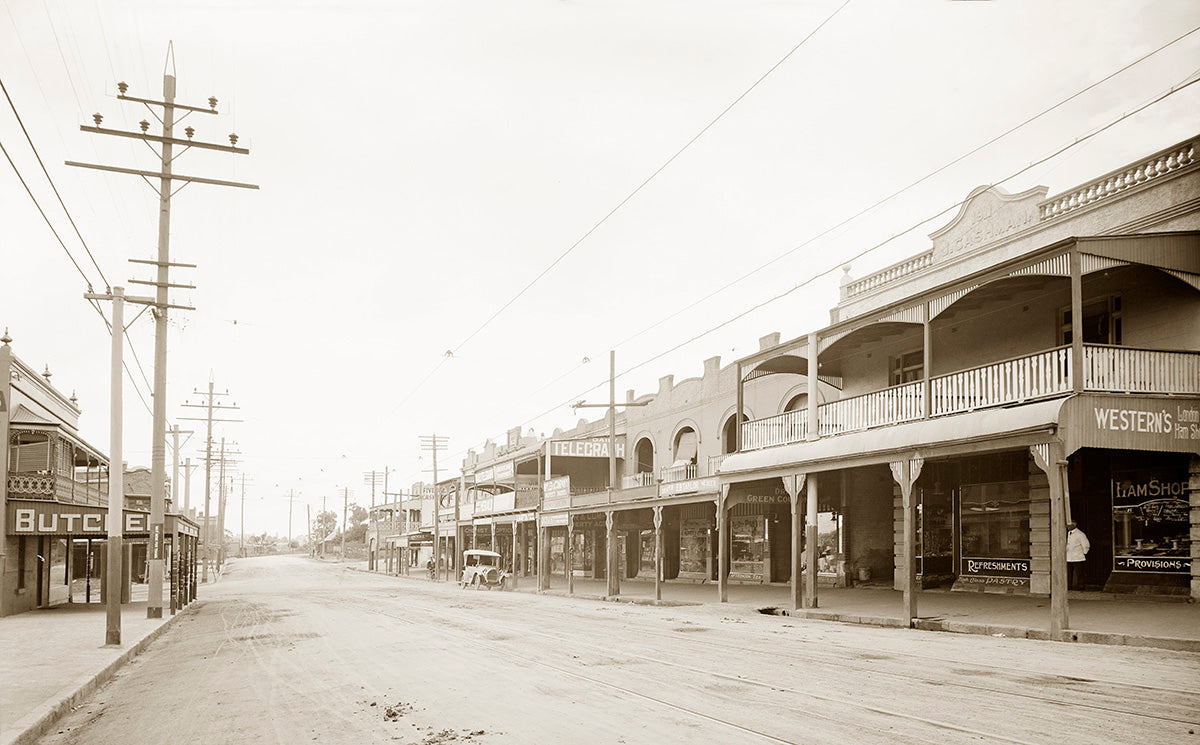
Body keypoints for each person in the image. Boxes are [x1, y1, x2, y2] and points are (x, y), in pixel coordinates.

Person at [1066, 521, 1090, 591]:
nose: (1068, 527)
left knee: (1079, 573)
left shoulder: (1080, 534)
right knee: (1069, 573)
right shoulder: (1068, 533)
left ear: (1074, 525)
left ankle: (1081, 586)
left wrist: (1084, 553)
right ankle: (1069, 586)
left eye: (1069, 525)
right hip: (1069, 556)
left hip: (1078, 557)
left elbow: (1086, 544)